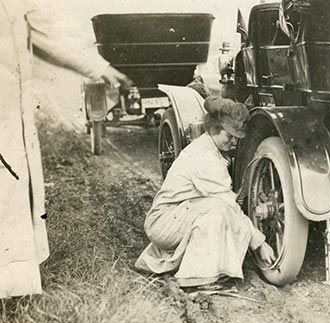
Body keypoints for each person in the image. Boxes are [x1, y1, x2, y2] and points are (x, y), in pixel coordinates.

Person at [0, 0, 132, 299]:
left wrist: (100, 67)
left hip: (9, 116)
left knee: (11, 192)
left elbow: (46, 34)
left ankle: (11, 290)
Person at [135, 97, 275, 287]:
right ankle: (196, 278)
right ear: (213, 129)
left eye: (236, 137)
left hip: (175, 217)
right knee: (218, 208)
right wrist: (260, 244)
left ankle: (209, 267)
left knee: (218, 207)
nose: (234, 142)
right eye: (230, 136)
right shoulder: (204, 157)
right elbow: (230, 205)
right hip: (164, 223)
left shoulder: (209, 148)